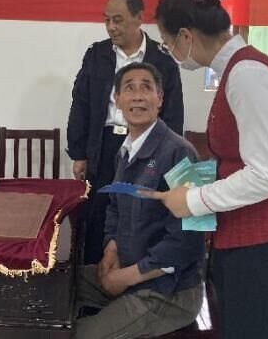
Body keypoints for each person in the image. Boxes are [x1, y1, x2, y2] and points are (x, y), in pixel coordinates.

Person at [141, 0, 268, 339]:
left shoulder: (248, 75)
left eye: (168, 44)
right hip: (245, 241)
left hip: (266, 248)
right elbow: (237, 158)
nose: (171, 52)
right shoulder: (235, 72)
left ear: (186, 36)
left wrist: (194, 200)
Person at [74, 62, 204, 339]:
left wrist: (126, 277)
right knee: (48, 286)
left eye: (146, 88)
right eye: (129, 89)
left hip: (169, 291)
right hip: (128, 269)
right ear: (117, 99)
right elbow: (115, 208)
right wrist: (111, 250)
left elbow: (191, 241)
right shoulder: (124, 152)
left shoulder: (183, 153)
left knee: (80, 335)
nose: (137, 97)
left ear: (160, 98)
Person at [67, 0, 183, 264]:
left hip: (145, 147)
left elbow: (173, 114)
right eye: (107, 20)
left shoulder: (162, 60)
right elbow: (81, 103)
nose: (111, 27)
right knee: (98, 213)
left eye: (117, 20)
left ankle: (134, 275)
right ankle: (95, 275)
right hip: (105, 144)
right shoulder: (97, 55)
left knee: (140, 211)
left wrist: (168, 157)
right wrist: (79, 153)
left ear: (139, 18)